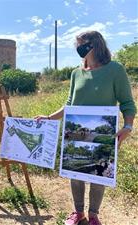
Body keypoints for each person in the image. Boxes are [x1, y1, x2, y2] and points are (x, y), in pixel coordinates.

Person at [35, 31, 136, 225]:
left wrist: (128, 126)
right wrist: (48, 118)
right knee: (76, 172)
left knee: (99, 173)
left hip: (105, 133)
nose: (77, 48)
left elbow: (127, 102)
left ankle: (93, 215)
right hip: (76, 132)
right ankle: (78, 212)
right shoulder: (76, 73)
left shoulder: (115, 70)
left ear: (94, 44)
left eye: (80, 44)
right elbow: (69, 104)